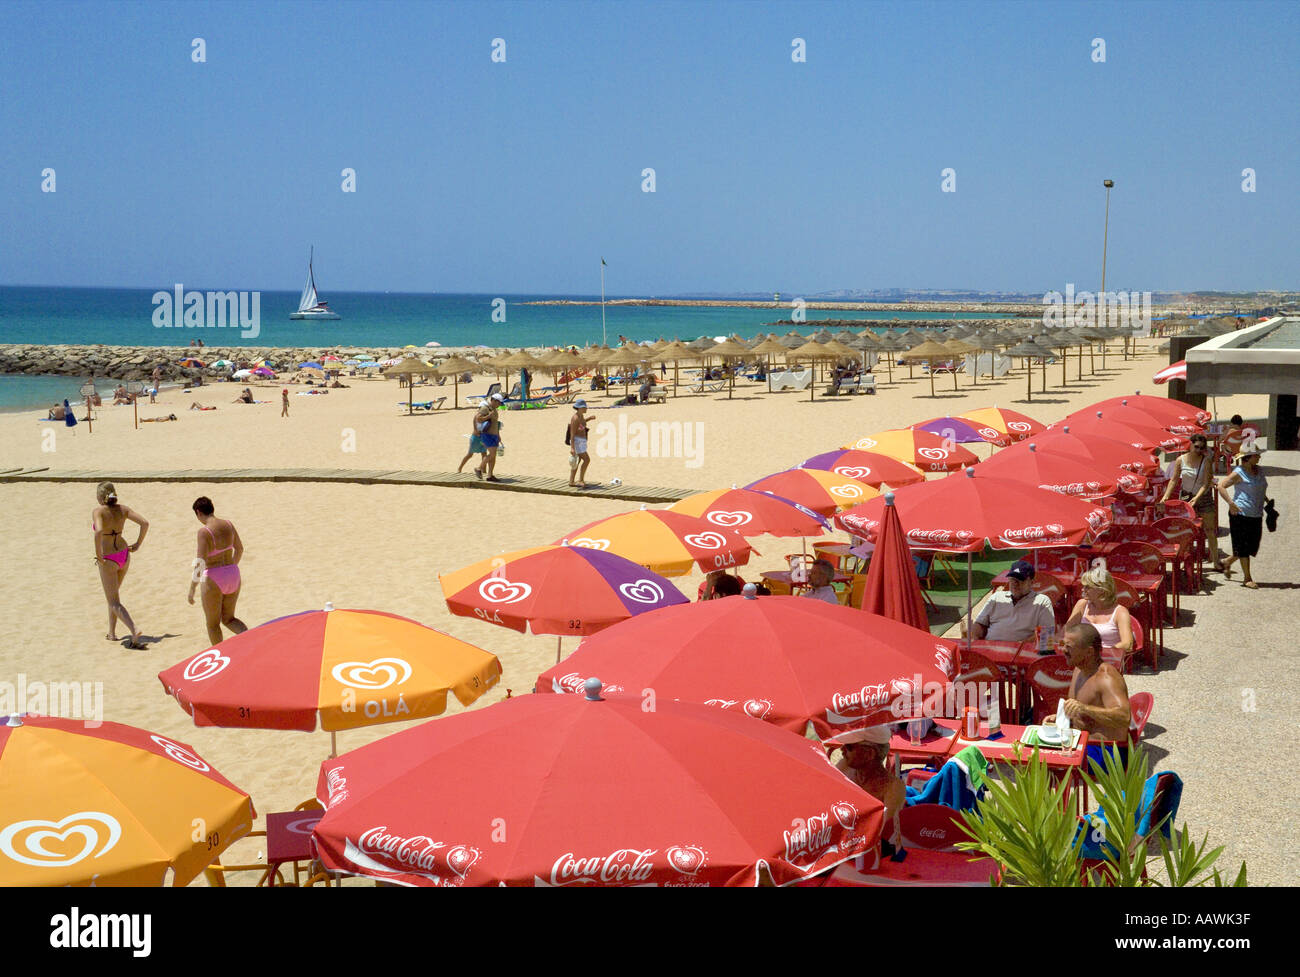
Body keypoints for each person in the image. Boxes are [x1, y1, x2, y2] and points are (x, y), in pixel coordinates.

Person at [1060, 622, 1132, 774]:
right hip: (1082, 743)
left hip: (1106, 754)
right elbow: (1076, 711)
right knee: (1031, 749)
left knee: (1044, 760)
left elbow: (1124, 716)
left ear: (1089, 652)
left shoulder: (1106, 678)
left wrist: (1084, 708)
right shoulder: (1078, 670)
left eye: (1069, 647)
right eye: (1063, 645)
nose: (1063, 650)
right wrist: (1059, 717)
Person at [91, 482, 148, 648]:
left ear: (100, 497)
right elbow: (145, 523)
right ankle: (112, 633)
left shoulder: (98, 511)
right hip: (123, 554)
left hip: (108, 558)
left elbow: (99, 531)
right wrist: (138, 543)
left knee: (113, 601)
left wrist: (98, 554)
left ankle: (134, 628)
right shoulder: (123, 509)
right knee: (113, 597)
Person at [833, 726, 905, 855]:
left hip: (865, 852)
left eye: (849, 747)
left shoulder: (893, 787)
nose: (842, 750)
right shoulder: (844, 766)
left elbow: (881, 834)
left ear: (869, 754)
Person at [188, 496, 247, 644]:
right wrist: (231, 567)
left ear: (198, 512)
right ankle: (250, 639)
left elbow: (200, 563)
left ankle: (220, 658)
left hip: (214, 578)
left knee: (212, 624)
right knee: (229, 619)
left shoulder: (204, 531)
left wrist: (192, 588)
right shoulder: (228, 524)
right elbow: (239, 549)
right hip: (233, 574)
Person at [1160, 432, 1219, 569]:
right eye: (1197, 447)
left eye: (1202, 448)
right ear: (1190, 445)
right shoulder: (1181, 460)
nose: (1199, 450)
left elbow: (1206, 483)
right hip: (1186, 496)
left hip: (1203, 497)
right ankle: (1185, 560)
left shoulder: (1206, 461)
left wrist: (1196, 498)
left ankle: (1215, 560)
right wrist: (1165, 497)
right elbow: (1174, 480)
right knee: (1185, 531)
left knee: (1209, 530)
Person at [1218, 446, 1268, 588]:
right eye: (1256, 455)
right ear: (1247, 458)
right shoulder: (1239, 472)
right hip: (1240, 514)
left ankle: (1227, 562)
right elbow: (1221, 486)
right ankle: (1247, 578)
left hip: (1256, 513)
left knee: (1252, 546)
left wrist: (1268, 503)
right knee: (1244, 546)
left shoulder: (1259, 471)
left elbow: (1259, 489)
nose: (1258, 457)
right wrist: (1231, 503)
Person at [1065, 567, 1134, 670]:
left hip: (1108, 663)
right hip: (1081, 660)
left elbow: (1127, 644)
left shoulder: (1120, 612)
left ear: (1102, 590)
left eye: (1087, 587)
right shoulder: (1082, 605)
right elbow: (1067, 632)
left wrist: (1100, 654)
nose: (1083, 590)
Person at [970, 559, 1055, 641]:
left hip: (1021, 651)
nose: (1015, 583)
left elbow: (1046, 632)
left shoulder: (1042, 602)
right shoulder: (996, 598)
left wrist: (1020, 646)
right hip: (991, 647)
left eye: (1020, 580)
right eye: (1012, 579)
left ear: (1031, 582)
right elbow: (980, 623)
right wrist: (975, 640)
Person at [473, 392, 504, 481]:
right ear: (493, 401)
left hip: (494, 435)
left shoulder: (494, 409)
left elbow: (495, 423)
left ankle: (490, 475)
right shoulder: (485, 408)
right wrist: (488, 416)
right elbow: (478, 418)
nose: (499, 405)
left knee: (493, 456)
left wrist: (498, 435)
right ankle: (479, 468)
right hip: (487, 435)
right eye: (498, 403)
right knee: (492, 454)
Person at [568, 399, 591, 488]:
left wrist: (589, 418)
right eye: (585, 407)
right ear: (580, 408)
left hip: (582, 441)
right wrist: (572, 448)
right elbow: (572, 434)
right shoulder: (575, 418)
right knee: (587, 460)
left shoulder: (580, 416)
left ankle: (571, 481)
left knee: (577, 461)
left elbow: (583, 424)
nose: (586, 409)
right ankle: (580, 480)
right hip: (577, 441)